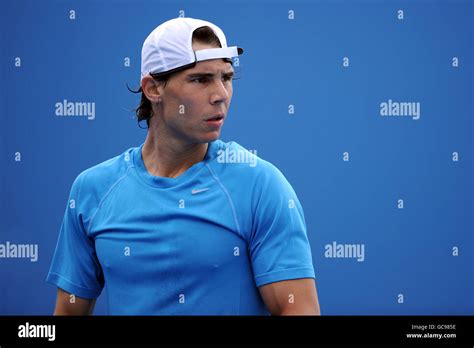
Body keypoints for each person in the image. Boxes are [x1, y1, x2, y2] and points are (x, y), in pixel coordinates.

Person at [46, 17, 321, 315]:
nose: (221, 95)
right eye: (201, 79)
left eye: (226, 78)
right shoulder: (91, 190)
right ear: (153, 89)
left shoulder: (262, 186)